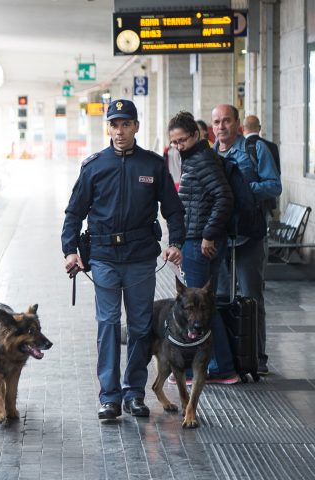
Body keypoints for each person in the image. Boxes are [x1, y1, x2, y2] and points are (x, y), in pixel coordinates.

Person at [62, 99, 185, 420]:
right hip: (102, 256)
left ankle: (134, 393)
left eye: (126, 124)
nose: (120, 131)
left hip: (141, 257)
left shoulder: (153, 165)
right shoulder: (94, 166)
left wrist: (177, 243)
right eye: (114, 125)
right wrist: (70, 250)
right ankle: (109, 397)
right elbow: (74, 212)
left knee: (142, 327)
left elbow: (173, 209)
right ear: (109, 128)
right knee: (108, 325)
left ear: (136, 127)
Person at [168, 111, 239, 384]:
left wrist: (208, 235)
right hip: (196, 240)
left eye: (182, 140)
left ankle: (218, 367)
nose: (178, 147)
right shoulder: (195, 159)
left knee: (198, 309)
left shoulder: (202, 160)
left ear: (196, 135)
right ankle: (218, 366)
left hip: (201, 243)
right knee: (203, 307)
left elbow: (224, 197)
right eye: (174, 142)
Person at [211, 105, 281, 376]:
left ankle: (256, 357)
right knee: (220, 299)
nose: (221, 127)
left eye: (226, 121)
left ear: (237, 123)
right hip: (220, 239)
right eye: (217, 122)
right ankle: (228, 356)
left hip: (249, 237)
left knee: (252, 298)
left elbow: (274, 185)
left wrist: (242, 190)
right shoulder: (210, 153)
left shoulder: (255, 150)